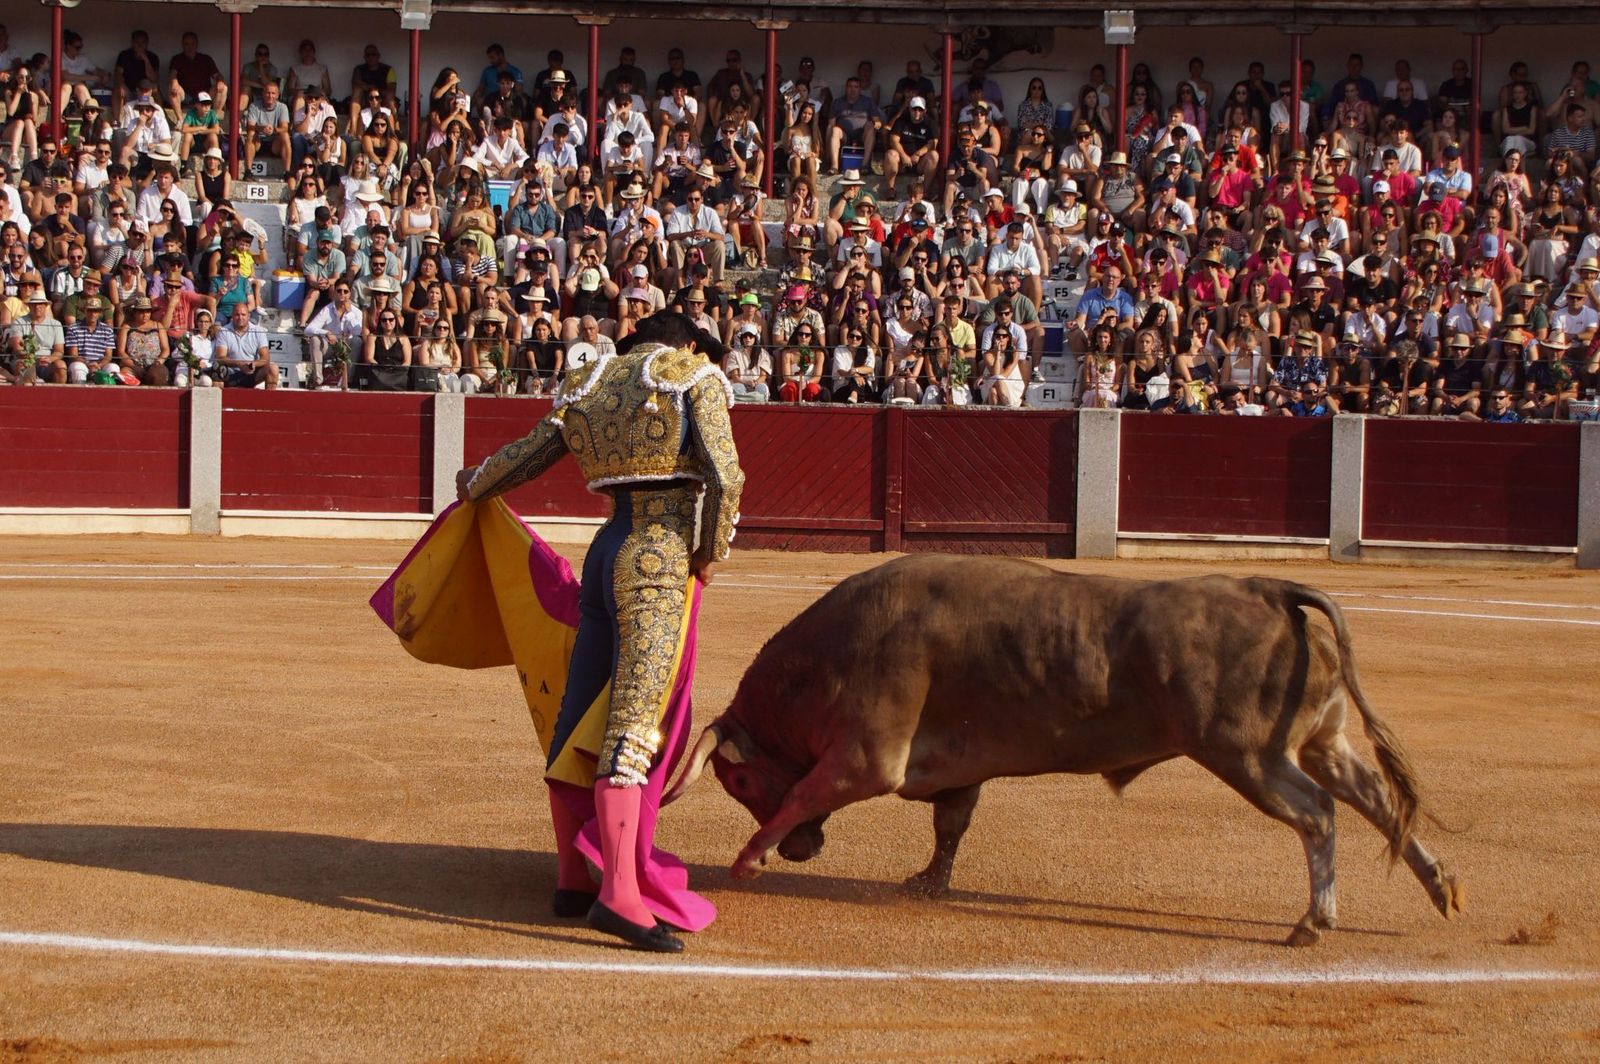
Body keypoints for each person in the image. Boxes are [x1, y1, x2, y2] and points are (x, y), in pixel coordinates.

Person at [458, 311, 742, 954]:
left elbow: (526, 455)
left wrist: (474, 485)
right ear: (689, 344)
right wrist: (709, 551)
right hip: (656, 555)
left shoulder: (588, 380)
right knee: (634, 721)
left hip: (604, 551)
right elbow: (726, 477)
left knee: (578, 709)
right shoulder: (691, 373)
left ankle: (570, 879)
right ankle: (617, 892)